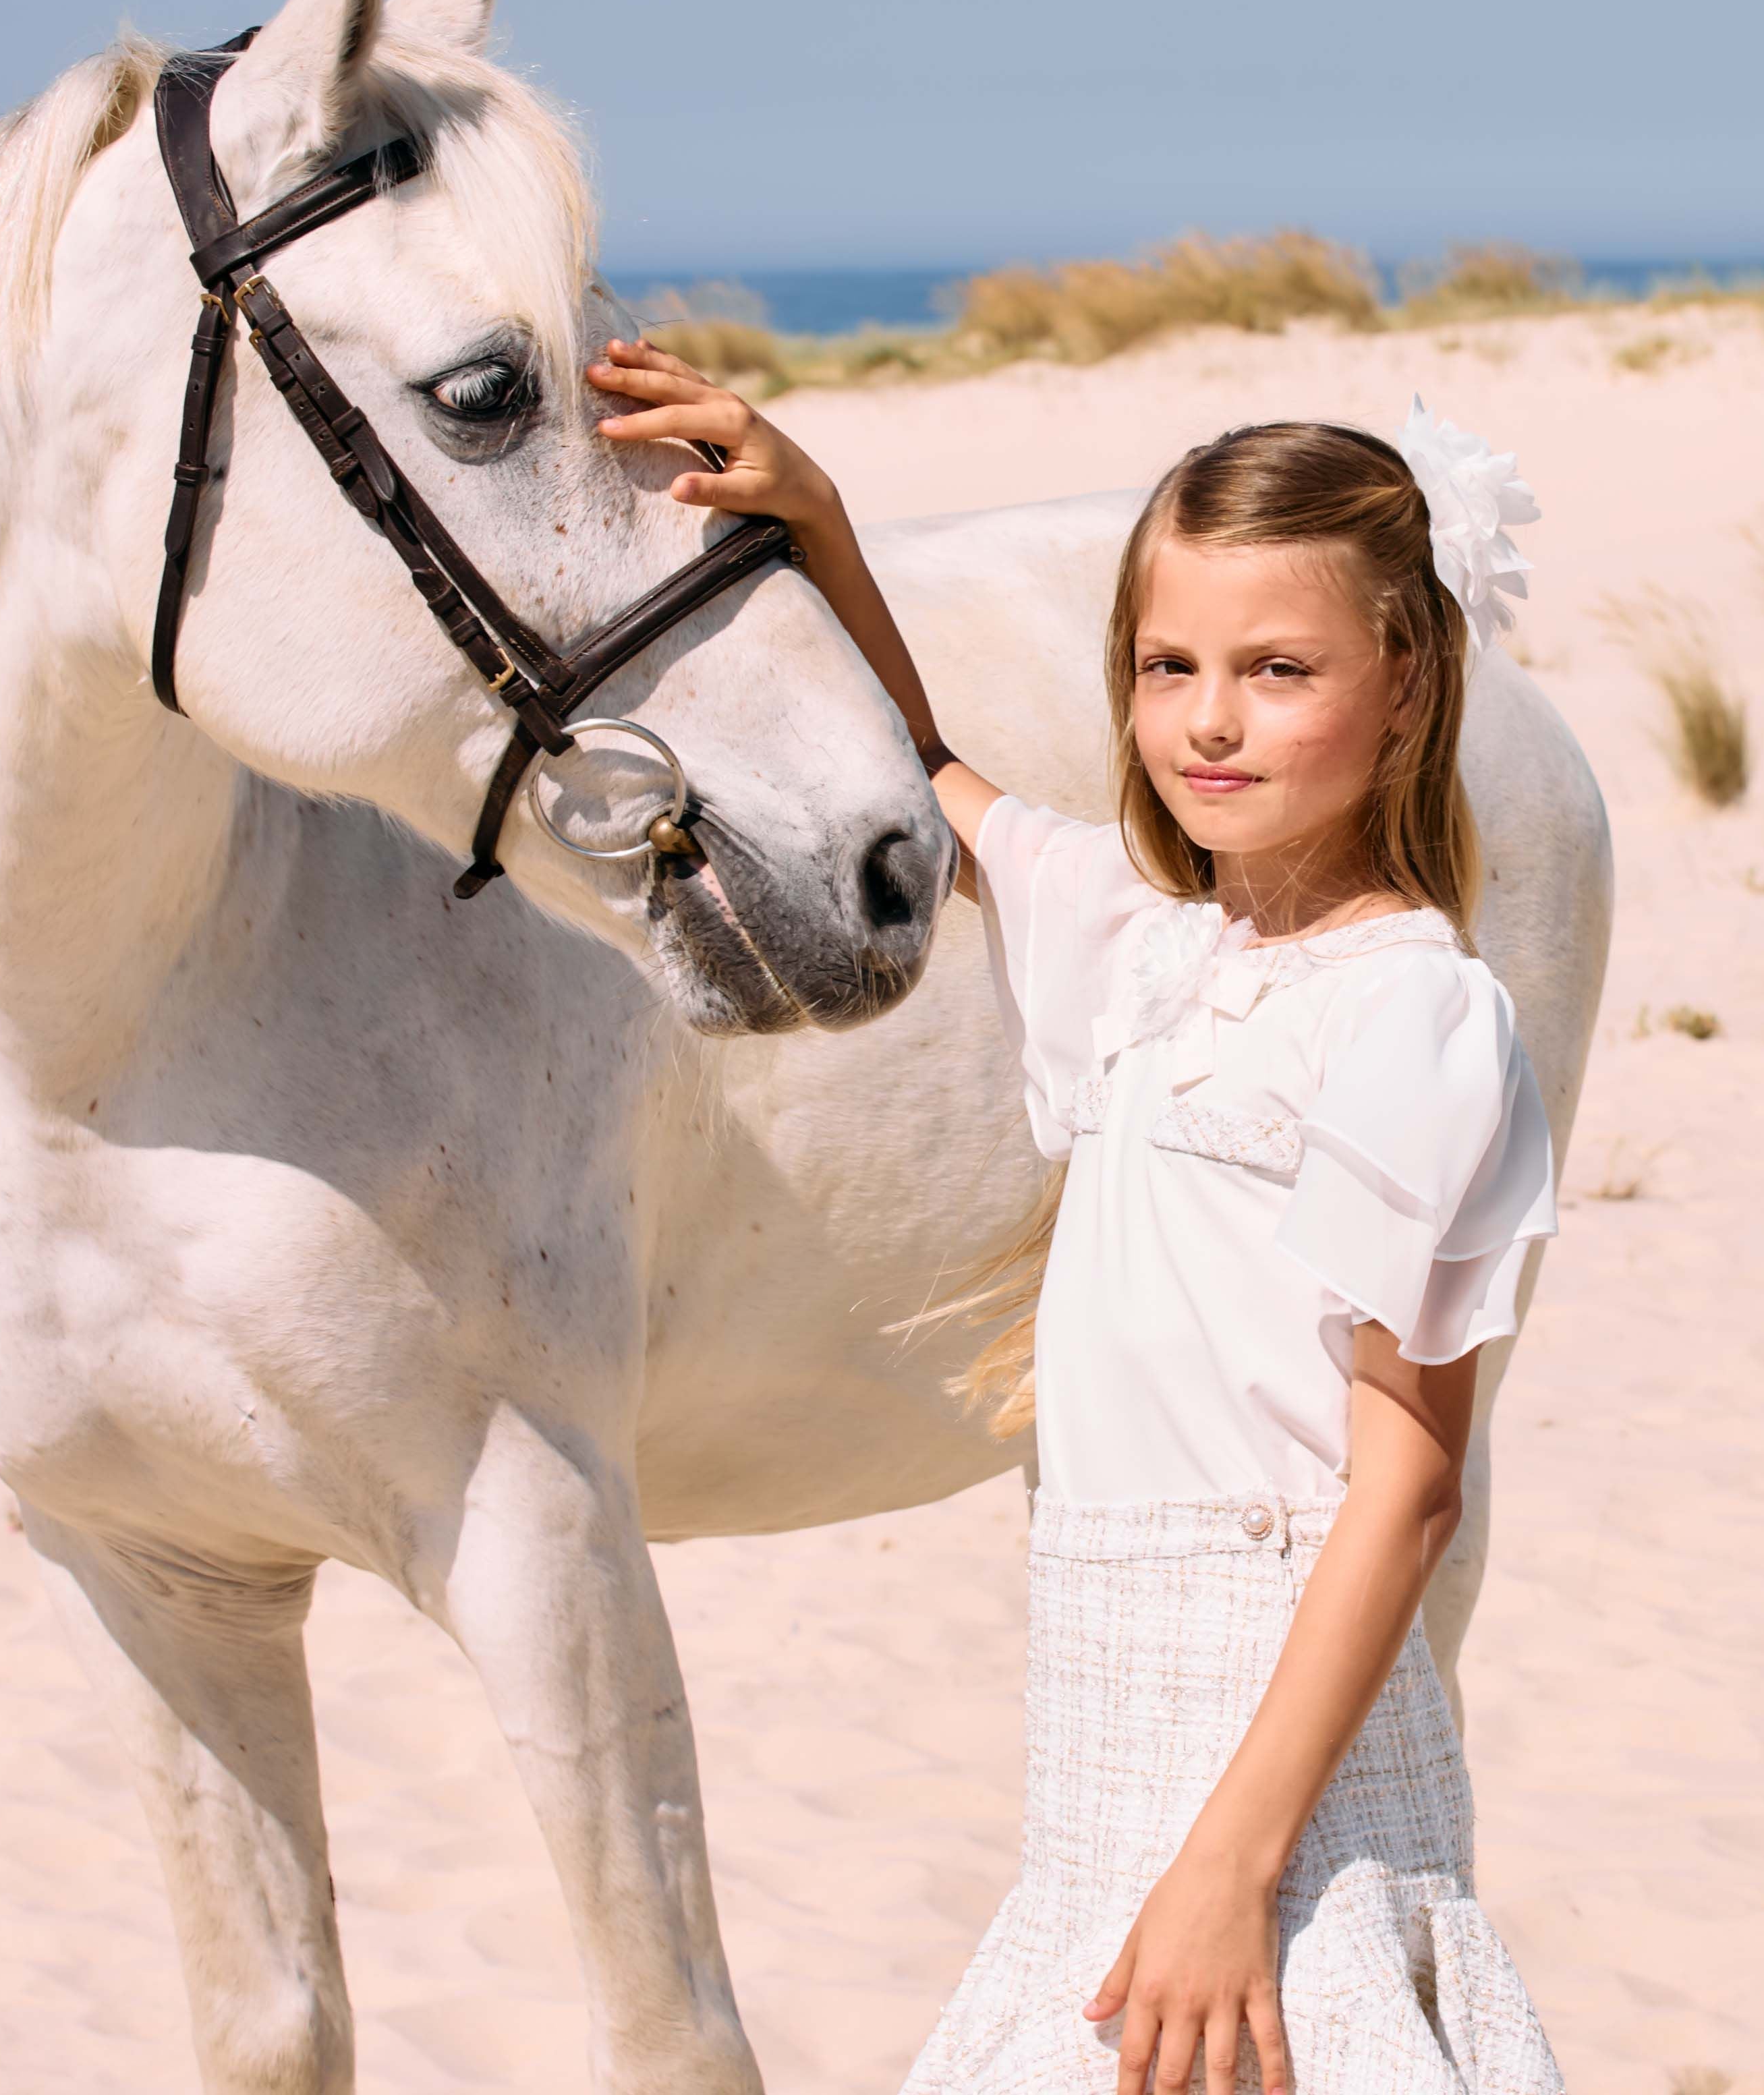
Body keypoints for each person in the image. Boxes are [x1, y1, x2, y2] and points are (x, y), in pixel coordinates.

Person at [589, 340, 1566, 2095]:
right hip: (1103, 1767)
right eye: (1164, 665)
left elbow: (1406, 1482)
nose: (1207, 718)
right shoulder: (1138, 938)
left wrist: (1228, 1868)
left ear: (1408, 683)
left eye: (1277, 671)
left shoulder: (1411, 1014)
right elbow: (923, 768)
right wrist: (812, 514)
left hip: (1288, 1786)